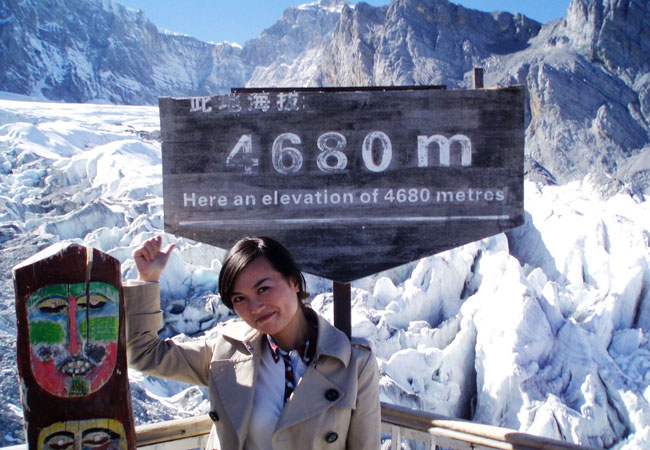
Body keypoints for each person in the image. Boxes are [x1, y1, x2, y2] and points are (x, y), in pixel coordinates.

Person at [124, 235, 381, 449]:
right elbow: (144, 354)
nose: (255, 307)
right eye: (239, 299)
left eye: (263, 289)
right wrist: (148, 279)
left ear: (294, 281)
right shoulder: (227, 354)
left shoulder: (354, 363)